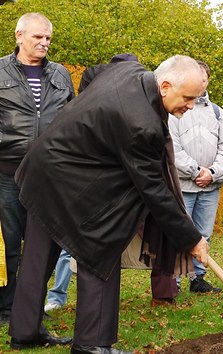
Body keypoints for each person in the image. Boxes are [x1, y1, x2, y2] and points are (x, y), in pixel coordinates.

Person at [8, 55, 211, 354]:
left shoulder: (129, 70)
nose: (191, 106)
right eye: (188, 98)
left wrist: (90, 123)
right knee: (101, 245)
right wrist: (192, 239)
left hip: (45, 166)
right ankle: (92, 344)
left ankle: (24, 333)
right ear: (165, 86)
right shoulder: (141, 124)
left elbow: (90, 74)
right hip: (64, 178)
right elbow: (154, 191)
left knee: (38, 254)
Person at [44, 52, 140, 314]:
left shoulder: (129, 104)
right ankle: (58, 294)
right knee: (70, 241)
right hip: (81, 180)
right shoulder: (96, 94)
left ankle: (88, 308)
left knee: (86, 240)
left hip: (107, 183)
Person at [0, 12, 74, 324]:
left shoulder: (60, 74)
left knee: (46, 243)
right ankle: (7, 307)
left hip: (49, 175)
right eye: (37, 37)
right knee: (10, 241)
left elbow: (73, 118)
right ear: (19, 36)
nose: (44, 43)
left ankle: (31, 306)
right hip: (8, 173)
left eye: (48, 39)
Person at [169, 60, 223, 293]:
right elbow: (172, 148)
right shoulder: (175, 109)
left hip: (210, 188)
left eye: (204, 78)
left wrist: (213, 173)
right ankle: (174, 280)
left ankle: (198, 279)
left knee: (203, 234)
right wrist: (196, 171)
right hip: (183, 186)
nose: (201, 82)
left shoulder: (217, 113)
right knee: (181, 233)